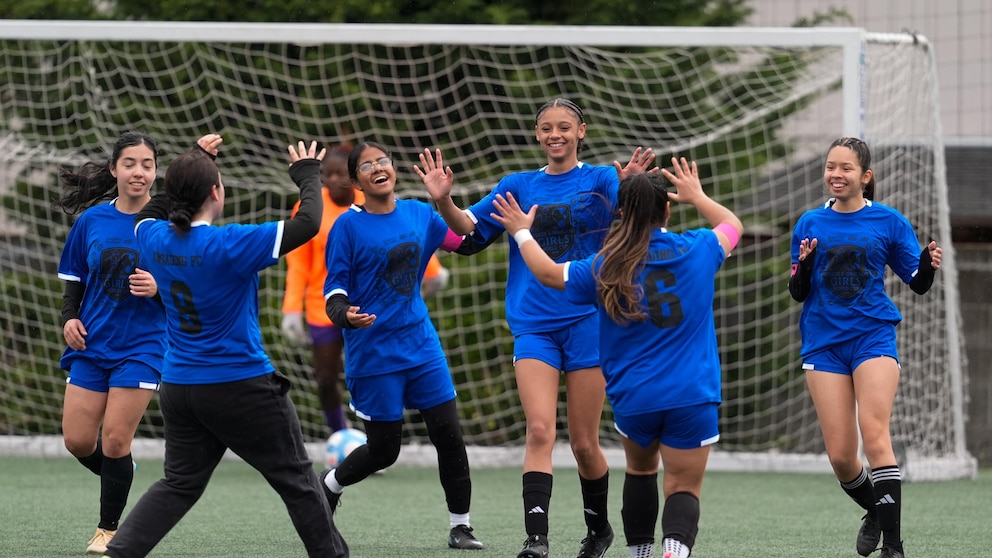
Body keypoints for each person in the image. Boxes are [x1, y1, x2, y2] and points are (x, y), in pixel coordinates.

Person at [417, 97, 655, 558]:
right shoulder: (518, 185)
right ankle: (536, 540)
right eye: (546, 127)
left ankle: (598, 530)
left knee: (584, 443)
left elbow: (635, 219)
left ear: (581, 131)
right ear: (536, 134)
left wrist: (630, 190)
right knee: (540, 430)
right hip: (534, 326)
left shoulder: (602, 179)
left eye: (564, 126)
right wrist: (443, 199)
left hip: (589, 322)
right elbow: (466, 230)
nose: (555, 135)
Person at [102, 135, 349, 558]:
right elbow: (309, 223)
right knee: (298, 482)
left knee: (179, 484)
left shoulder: (151, 236)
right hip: (240, 385)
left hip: (180, 387)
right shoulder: (229, 243)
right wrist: (308, 174)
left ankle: (118, 553)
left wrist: (195, 162)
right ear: (216, 193)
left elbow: (151, 211)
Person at [491, 158, 743, 558]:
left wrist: (522, 232)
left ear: (620, 213)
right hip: (692, 393)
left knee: (641, 473)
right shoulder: (698, 248)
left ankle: (641, 553)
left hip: (635, 398)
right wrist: (697, 196)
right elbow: (732, 225)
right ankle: (675, 550)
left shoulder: (605, 266)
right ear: (667, 210)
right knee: (682, 486)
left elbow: (549, 274)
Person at [319, 141, 484, 551]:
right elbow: (333, 292)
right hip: (374, 353)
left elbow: (468, 239)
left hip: (421, 345)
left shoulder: (419, 213)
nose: (378, 168)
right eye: (367, 165)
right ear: (357, 181)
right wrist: (345, 315)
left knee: (449, 435)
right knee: (384, 451)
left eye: (383, 161)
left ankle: (461, 526)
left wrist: (445, 200)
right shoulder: (346, 227)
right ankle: (329, 485)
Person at [789, 137, 942, 558]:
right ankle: (877, 510)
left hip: (873, 337)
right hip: (823, 345)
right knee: (841, 457)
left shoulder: (889, 222)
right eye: (830, 166)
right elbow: (798, 292)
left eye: (846, 168)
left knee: (874, 434)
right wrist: (803, 267)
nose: (836, 174)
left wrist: (927, 266)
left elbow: (918, 283)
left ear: (865, 176)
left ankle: (893, 546)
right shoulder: (809, 223)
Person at [280, 148, 450, 435]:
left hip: (373, 309)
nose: (333, 180)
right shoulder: (310, 208)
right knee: (325, 377)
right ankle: (340, 433)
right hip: (325, 305)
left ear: (352, 179)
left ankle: (380, 436)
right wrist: (292, 308)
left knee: (380, 373)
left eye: (339, 174)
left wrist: (433, 270)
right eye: (326, 175)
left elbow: (404, 240)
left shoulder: (373, 201)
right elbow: (298, 263)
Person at [53, 130, 166, 556]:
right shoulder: (91, 221)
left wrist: (160, 288)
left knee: (116, 441)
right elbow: (74, 282)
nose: (139, 172)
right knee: (78, 441)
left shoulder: (168, 224)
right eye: (130, 163)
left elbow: (193, 284)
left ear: (155, 172)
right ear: (114, 169)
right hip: (92, 344)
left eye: (147, 165)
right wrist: (69, 319)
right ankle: (123, 471)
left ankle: (109, 531)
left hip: (144, 346)